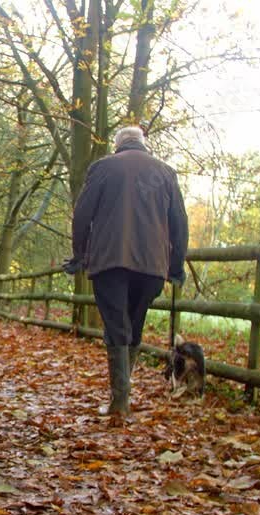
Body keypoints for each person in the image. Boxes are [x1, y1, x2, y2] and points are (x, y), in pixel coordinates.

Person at [67, 126, 188, 417]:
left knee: (117, 328)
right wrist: (175, 265)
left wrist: (79, 255)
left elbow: (82, 215)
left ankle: (120, 401)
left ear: (118, 145)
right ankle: (123, 395)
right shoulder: (166, 173)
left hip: (110, 259)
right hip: (152, 265)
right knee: (134, 325)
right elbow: (180, 223)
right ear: (142, 143)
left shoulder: (103, 167)